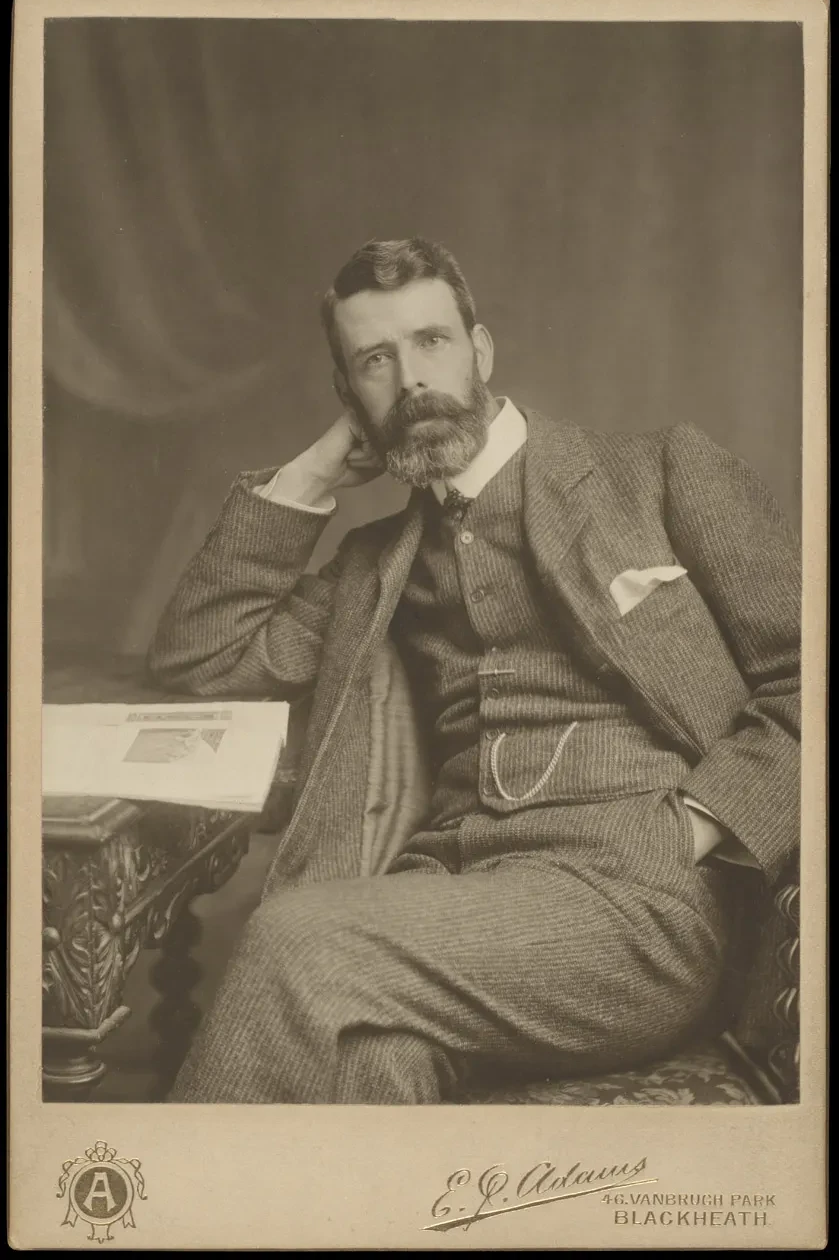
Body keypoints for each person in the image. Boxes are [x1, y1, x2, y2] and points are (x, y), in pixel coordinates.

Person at [148, 238, 800, 1104]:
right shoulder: (373, 563)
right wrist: (310, 477)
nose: (412, 380)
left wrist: (691, 829)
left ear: (480, 352)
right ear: (350, 397)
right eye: (375, 361)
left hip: (632, 902)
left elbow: (811, 674)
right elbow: (205, 654)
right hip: (444, 896)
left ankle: (172, 1217)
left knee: (298, 942)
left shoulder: (655, 473)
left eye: (431, 342)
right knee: (367, 1063)